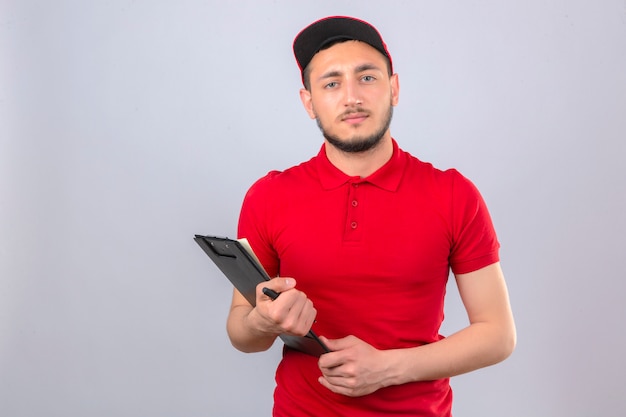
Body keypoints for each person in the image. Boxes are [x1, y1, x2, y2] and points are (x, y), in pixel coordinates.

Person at [226, 15, 516, 417]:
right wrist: (264, 322)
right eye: (331, 83)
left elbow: (498, 334)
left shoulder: (453, 194)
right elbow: (243, 333)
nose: (351, 98)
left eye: (367, 78)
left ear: (393, 88)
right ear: (309, 102)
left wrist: (388, 369)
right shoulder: (269, 196)